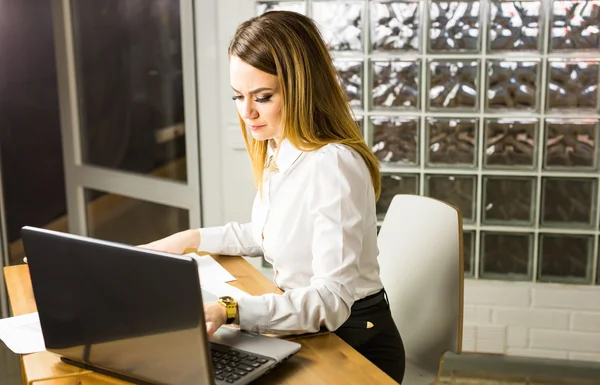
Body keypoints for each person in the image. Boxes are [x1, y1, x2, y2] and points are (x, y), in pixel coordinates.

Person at [139, 10, 405, 383]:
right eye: (238, 96)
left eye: (262, 96)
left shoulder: (333, 165)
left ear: (301, 88)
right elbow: (265, 232)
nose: (247, 112)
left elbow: (330, 302)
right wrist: (188, 240)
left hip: (354, 345)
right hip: (312, 329)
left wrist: (229, 310)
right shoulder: (279, 147)